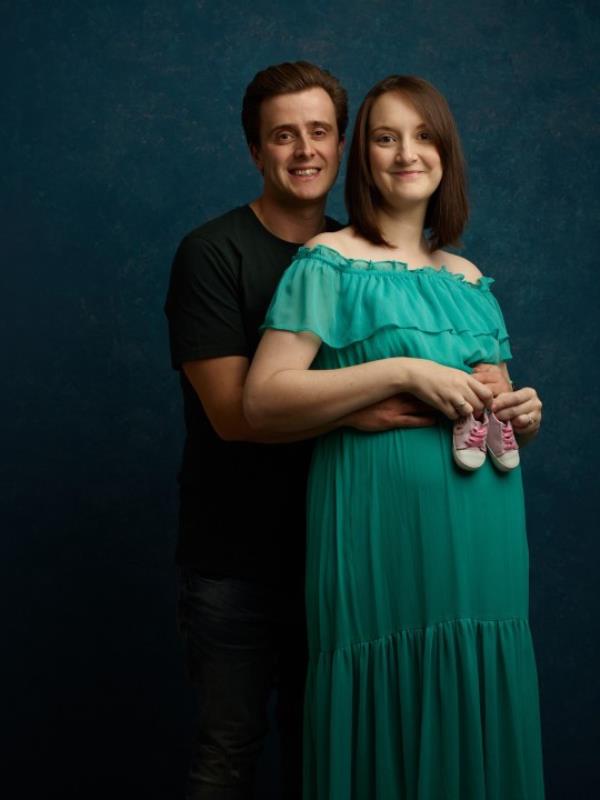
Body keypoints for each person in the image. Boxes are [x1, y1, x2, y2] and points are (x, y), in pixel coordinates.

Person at [164, 63, 460, 800]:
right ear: (255, 151)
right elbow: (235, 415)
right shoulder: (213, 253)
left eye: (320, 132)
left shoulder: (355, 255)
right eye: (283, 136)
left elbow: (432, 373)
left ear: (342, 145)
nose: (304, 151)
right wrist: (365, 405)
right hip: (236, 556)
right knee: (230, 748)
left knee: (329, 745)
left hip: (342, 548)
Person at [244, 75, 545, 799]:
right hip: (381, 533)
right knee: (389, 705)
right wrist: (402, 371)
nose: (406, 153)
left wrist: (522, 415)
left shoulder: (469, 276)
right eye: (385, 137)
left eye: (422, 135)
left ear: (446, 152)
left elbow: (491, 400)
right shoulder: (330, 261)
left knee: (480, 696)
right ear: (363, 158)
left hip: (483, 535)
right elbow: (264, 400)